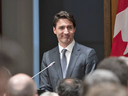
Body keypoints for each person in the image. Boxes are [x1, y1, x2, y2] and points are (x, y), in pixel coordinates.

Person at [39, 11, 98, 92]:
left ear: (74, 29)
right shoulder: (47, 56)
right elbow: (45, 87)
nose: (66, 32)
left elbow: (91, 87)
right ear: (54, 30)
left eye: (69, 27)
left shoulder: (87, 54)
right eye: (61, 28)